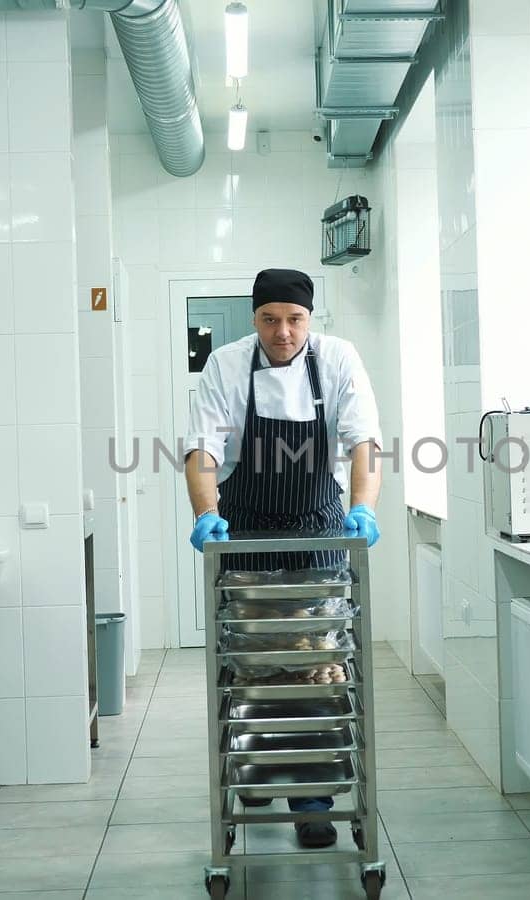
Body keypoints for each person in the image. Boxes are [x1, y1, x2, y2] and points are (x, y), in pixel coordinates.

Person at [183, 267, 382, 848]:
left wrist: (364, 508)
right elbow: (202, 449)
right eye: (270, 320)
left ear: (310, 318)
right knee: (253, 659)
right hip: (244, 530)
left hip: (319, 527)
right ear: (254, 318)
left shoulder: (338, 359)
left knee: (316, 662)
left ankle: (313, 798)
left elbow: (363, 443)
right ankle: (259, 770)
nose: (283, 332)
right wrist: (204, 511)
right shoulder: (226, 363)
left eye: (294, 319)